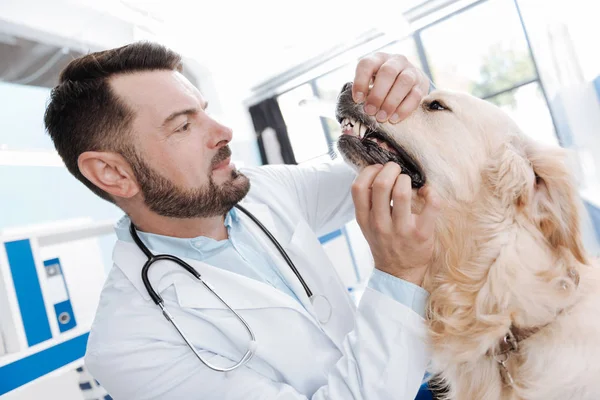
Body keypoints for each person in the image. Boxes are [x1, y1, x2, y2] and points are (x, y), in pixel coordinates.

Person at [44, 41, 440, 399]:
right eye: (183, 125)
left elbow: (400, 167)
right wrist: (399, 273)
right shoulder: (129, 345)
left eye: (204, 112)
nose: (223, 131)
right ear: (112, 173)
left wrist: (410, 96)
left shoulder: (265, 191)